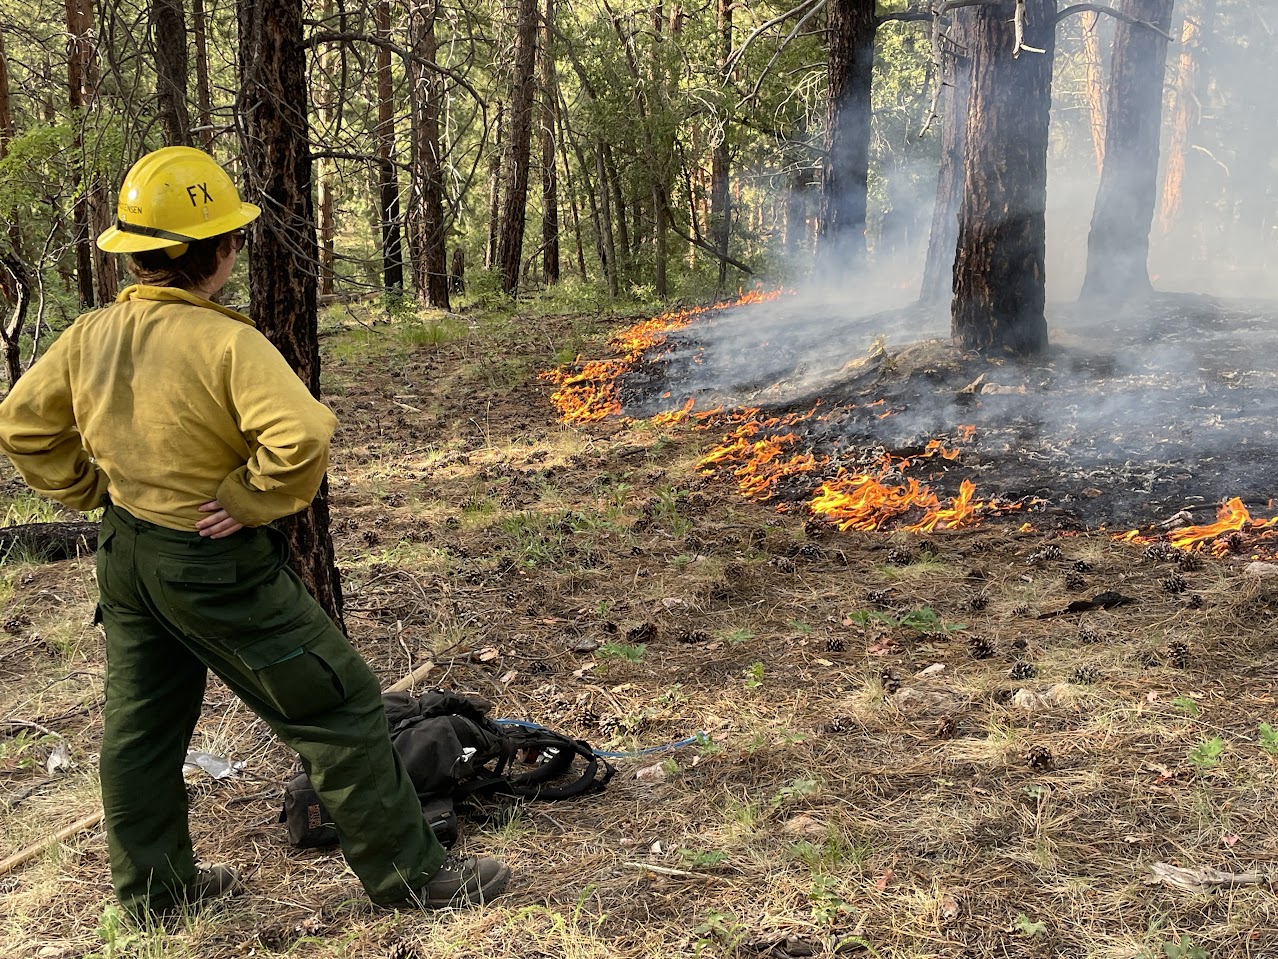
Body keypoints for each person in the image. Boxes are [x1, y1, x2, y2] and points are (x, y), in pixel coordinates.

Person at [0, 147, 510, 917]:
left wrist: (88, 487)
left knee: (140, 733)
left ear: (136, 253)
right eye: (233, 235)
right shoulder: (227, 343)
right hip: (212, 565)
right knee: (338, 704)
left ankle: (157, 897)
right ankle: (411, 874)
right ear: (223, 250)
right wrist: (247, 497)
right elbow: (301, 437)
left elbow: (22, 425)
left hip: (128, 557)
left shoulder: (89, 334)